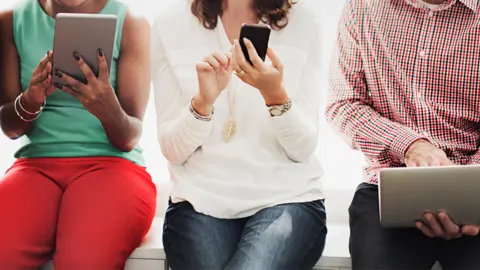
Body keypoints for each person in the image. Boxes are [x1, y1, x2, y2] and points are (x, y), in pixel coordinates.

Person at [152, 0, 326, 269]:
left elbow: (302, 148)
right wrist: (203, 102)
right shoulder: (169, 24)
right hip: (200, 200)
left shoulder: (305, 23)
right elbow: (173, 150)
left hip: (287, 198)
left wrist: (275, 96)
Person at [0, 0, 156, 269]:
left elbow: (129, 137)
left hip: (113, 167)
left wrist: (106, 106)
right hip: (35, 167)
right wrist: (30, 101)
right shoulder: (11, 22)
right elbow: (10, 127)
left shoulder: (131, 23)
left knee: (81, 262)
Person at [326, 0, 480, 269]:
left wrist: (468, 192)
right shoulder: (363, 6)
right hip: (387, 187)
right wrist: (409, 145)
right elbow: (343, 104)